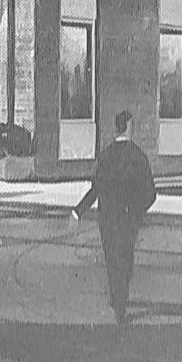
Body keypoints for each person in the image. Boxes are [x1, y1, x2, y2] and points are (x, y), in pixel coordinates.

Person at [71, 110, 157, 324]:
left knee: (112, 258)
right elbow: (151, 193)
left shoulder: (106, 155)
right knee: (125, 257)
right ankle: (121, 299)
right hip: (128, 218)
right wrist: (137, 211)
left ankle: (116, 297)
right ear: (128, 127)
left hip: (107, 218)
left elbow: (96, 189)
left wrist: (78, 211)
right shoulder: (138, 156)